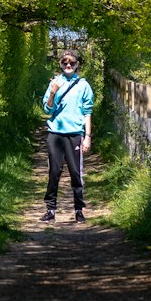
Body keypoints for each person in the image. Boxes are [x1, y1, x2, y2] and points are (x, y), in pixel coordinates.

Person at [41, 48, 94, 223]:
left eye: (72, 62)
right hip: (55, 133)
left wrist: (87, 136)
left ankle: (79, 210)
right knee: (54, 172)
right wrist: (54, 91)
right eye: (65, 63)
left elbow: (87, 112)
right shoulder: (55, 83)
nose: (68, 65)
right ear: (60, 64)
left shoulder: (83, 85)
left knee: (75, 173)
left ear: (77, 64)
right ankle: (50, 210)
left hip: (75, 134)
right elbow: (47, 109)